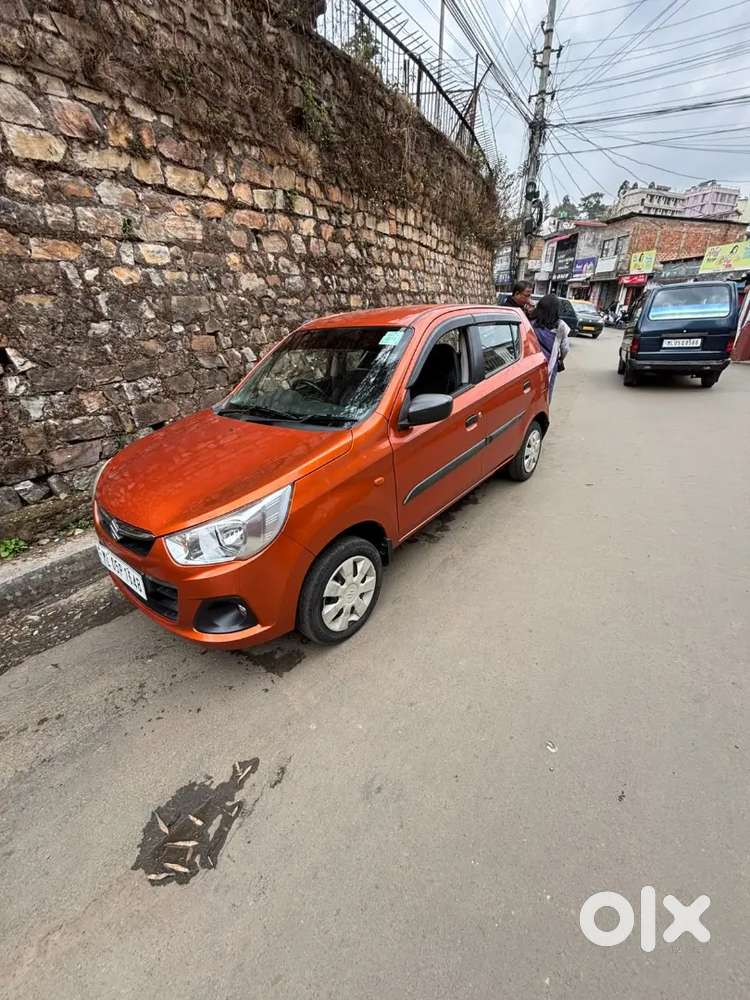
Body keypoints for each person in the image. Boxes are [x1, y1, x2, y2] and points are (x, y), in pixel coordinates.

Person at [531, 294, 567, 399]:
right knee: (546, 392)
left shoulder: (530, 324)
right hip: (550, 365)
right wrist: (560, 359)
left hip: (533, 364)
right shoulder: (561, 326)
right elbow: (565, 348)